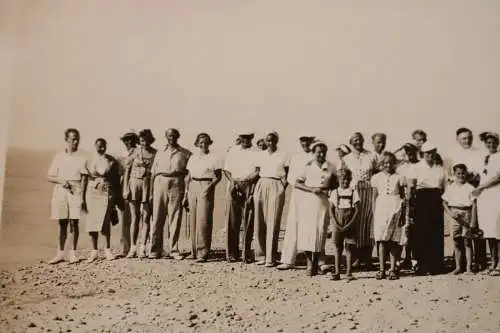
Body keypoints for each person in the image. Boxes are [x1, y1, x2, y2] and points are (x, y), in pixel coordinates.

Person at [295, 141, 337, 276]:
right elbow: (297, 183)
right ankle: (309, 265)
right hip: (308, 202)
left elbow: (336, 185)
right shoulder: (308, 166)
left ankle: (316, 264)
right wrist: (311, 189)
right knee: (307, 234)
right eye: (318, 152)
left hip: (323, 204)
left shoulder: (331, 167)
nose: (321, 154)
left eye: (323, 152)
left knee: (320, 233)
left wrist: (328, 190)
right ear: (313, 153)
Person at [47, 128, 88, 264]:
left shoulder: (82, 157)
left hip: (76, 190)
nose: (75, 141)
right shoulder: (59, 156)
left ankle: (73, 253)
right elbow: (49, 176)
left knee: (74, 222)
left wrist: (82, 196)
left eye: (77, 139)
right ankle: (60, 253)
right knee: (62, 222)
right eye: (73, 139)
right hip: (61, 190)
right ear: (67, 140)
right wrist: (61, 181)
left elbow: (84, 178)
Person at [149, 128, 192, 259]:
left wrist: (186, 192)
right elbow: (153, 173)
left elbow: (189, 173)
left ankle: (173, 250)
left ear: (178, 137)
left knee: (175, 217)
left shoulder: (185, 153)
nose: (171, 138)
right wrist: (151, 192)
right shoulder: (160, 152)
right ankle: (155, 250)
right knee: (157, 217)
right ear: (166, 137)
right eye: (169, 136)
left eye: (174, 136)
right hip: (160, 182)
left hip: (177, 183)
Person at [277, 134, 315, 270]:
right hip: (298, 194)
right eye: (303, 140)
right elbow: (291, 178)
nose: (305, 143)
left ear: (312, 141)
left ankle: (319, 261)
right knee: (293, 225)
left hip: (313, 196)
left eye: (308, 140)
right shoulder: (296, 157)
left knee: (313, 227)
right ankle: (288, 259)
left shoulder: (317, 156)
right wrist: (303, 185)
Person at [254, 132, 290, 267]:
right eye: (268, 140)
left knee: (273, 221)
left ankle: (271, 257)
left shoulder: (283, 155)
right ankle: (261, 255)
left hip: (276, 184)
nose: (270, 142)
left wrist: (282, 188)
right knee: (259, 220)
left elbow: (287, 173)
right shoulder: (261, 155)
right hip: (261, 184)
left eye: (273, 140)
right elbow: (257, 172)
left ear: (277, 141)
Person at [184, 133, 222, 262]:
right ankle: (194, 251)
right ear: (197, 143)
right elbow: (188, 176)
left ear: (209, 143)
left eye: (206, 142)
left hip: (206, 185)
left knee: (203, 220)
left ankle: (203, 252)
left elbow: (218, 177)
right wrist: (186, 193)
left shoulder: (214, 157)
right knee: (193, 219)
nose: (203, 144)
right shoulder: (193, 157)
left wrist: (208, 188)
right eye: (200, 142)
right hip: (193, 185)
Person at [343, 132, 378, 268]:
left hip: (369, 190)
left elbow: (377, 172)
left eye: (360, 140)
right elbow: (342, 175)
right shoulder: (346, 158)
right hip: (354, 191)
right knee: (355, 223)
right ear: (351, 142)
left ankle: (367, 258)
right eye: (355, 140)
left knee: (368, 223)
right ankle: (356, 258)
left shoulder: (371, 155)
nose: (358, 142)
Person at [82, 138, 121, 262]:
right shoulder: (89, 160)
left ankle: (107, 249)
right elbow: (84, 179)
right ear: (95, 146)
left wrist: (115, 198)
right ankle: (94, 251)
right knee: (92, 221)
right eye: (99, 146)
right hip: (92, 192)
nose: (102, 148)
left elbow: (116, 180)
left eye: (104, 146)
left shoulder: (111, 160)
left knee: (105, 220)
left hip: (106, 191)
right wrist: (82, 198)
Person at [223, 131, 259, 263]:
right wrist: (232, 181)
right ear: (239, 137)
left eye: (248, 137)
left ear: (252, 138)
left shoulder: (257, 152)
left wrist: (249, 180)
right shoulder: (232, 151)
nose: (245, 139)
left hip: (249, 185)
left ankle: (246, 253)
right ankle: (232, 253)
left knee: (248, 221)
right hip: (234, 184)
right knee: (232, 220)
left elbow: (258, 170)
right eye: (243, 137)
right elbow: (226, 170)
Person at [371, 152, 406, 280]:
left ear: (394, 163)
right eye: (385, 162)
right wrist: (374, 212)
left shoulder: (399, 177)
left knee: (393, 240)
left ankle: (392, 269)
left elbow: (402, 196)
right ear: (381, 164)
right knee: (381, 240)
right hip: (381, 208)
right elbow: (374, 197)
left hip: (395, 206)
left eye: (391, 162)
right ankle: (381, 269)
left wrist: (402, 211)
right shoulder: (376, 177)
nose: (388, 165)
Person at [413, 142, 446, 275]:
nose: (430, 155)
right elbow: (412, 186)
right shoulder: (417, 167)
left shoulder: (440, 168)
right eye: (427, 153)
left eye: (432, 152)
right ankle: (421, 265)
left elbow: (443, 187)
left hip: (436, 199)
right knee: (421, 232)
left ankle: (436, 265)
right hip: (421, 199)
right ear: (423, 154)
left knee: (436, 232)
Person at [124, 129, 157, 258]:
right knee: (134, 217)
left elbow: (155, 172)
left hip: (147, 184)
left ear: (150, 140)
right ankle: (133, 247)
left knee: (146, 216)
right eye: (142, 140)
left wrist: (153, 190)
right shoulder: (134, 152)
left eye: (146, 139)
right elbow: (127, 170)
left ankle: (143, 247)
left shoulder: (155, 153)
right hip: (134, 184)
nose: (144, 142)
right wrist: (125, 189)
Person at [472, 131, 500, 276]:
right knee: (488, 230)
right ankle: (493, 262)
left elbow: (497, 177)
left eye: (493, 142)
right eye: (488, 142)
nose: (491, 145)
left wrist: (481, 187)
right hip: (485, 197)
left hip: (496, 194)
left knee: (498, 229)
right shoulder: (484, 158)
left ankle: (499, 264)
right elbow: (480, 175)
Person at [442, 164, 476, 275]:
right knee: (456, 241)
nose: (461, 175)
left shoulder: (470, 187)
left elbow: (474, 204)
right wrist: (451, 213)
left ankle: (469, 268)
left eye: (463, 173)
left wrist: (472, 221)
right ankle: (458, 267)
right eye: (458, 173)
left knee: (467, 241)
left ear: (466, 173)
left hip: (466, 213)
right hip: (454, 214)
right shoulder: (451, 187)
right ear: (454, 174)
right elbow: (444, 202)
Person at [329, 168, 359, 281]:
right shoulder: (334, 192)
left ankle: (349, 272)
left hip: (350, 223)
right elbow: (331, 209)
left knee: (349, 248)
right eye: (342, 179)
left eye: (347, 179)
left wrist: (350, 224)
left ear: (350, 179)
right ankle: (337, 272)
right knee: (337, 248)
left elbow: (357, 210)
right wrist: (335, 224)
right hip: (337, 222)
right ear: (338, 179)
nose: (345, 181)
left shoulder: (353, 192)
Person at [395, 143, 420, 270]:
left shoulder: (421, 165)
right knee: (402, 229)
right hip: (404, 200)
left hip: (417, 201)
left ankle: (413, 259)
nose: (409, 155)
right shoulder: (401, 167)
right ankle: (400, 259)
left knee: (413, 231)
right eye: (407, 152)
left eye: (412, 152)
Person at [117, 130, 138, 257]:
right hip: (124, 189)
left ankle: (138, 246)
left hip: (137, 187)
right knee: (125, 219)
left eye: (130, 139)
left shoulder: (139, 153)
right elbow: (119, 174)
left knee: (139, 218)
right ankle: (125, 247)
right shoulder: (121, 156)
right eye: (125, 139)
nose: (128, 142)